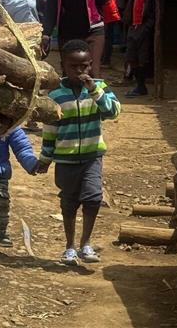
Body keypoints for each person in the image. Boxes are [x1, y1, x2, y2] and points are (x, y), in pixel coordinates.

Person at [37, 39, 121, 265]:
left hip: (92, 156)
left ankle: (86, 243)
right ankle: (69, 246)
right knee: (69, 202)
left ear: (91, 65)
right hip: (65, 159)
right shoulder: (55, 95)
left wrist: (94, 90)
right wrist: (45, 159)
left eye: (84, 66)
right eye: (73, 66)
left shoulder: (99, 88)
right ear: (63, 66)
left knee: (93, 198)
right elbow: (50, 131)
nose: (79, 71)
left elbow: (113, 112)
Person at [123, 0, 157, 96]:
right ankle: (138, 84)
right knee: (132, 56)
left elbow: (154, 8)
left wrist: (148, 25)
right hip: (134, 24)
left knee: (143, 57)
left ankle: (141, 85)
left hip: (144, 25)